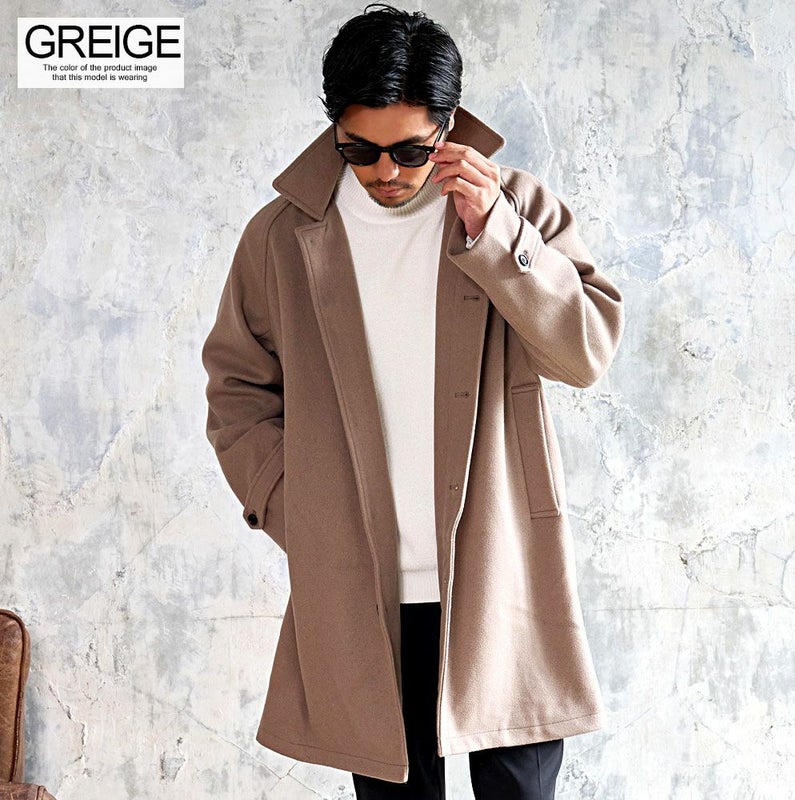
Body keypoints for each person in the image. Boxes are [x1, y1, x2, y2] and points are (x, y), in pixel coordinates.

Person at [201, 4, 624, 799]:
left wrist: (496, 234)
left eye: (410, 150)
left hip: (499, 573)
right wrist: (297, 508)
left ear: (448, 126)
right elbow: (236, 390)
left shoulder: (516, 207)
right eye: (359, 149)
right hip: (365, 587)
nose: (386, 171)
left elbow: (585, 353)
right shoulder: (283, 236)